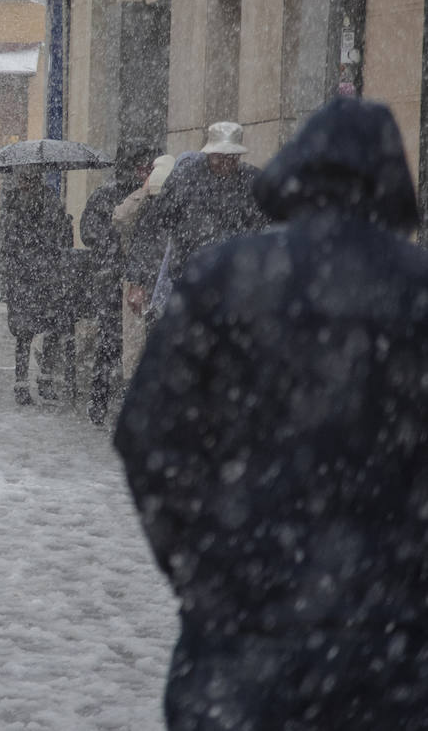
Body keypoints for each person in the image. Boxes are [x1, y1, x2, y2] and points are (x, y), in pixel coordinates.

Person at [114, 97, 428, 730]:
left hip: (246, 613)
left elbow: (147, 433)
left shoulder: (226, 278)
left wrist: (198, 563)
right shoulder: (416, 290)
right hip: (392, 629)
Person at [125, 121, 266, 319]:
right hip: (189, 284)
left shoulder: (252, 183)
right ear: (209, 154)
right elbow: (151, 227)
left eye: (232, 158)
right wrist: (137, 281)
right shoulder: (184, 179)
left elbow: (269, 230)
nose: (226, 163)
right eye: (220, 157)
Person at [78, 145, 157, 426]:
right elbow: (88, 233)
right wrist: (112, 241)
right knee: (111, 342)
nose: (144, 170)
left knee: (135, 344)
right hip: (111, 280)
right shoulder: (106, 195)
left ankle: (124, 401)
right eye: (140, 165)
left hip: (139, 279)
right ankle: (100, 400)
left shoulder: (152, 196)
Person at [0, 169, 72, 405]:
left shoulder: (50, 203)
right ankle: (21, 383)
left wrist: (62, 226)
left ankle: (45, 379)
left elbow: (61, 240)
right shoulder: (12, 204)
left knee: (50, 329)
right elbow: (3, 243)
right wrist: (6, 281)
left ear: (37, 179)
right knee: (23, 333)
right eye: (22, 179)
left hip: (45, 278)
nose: (25, 183)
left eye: (29, 179)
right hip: (21, 279)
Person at [113, 153, 175, 380]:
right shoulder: (142, 205)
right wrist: (143, 192)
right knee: (136, 348)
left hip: (163, 283)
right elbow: (120, 218)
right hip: (141, 282)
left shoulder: (176, 208)